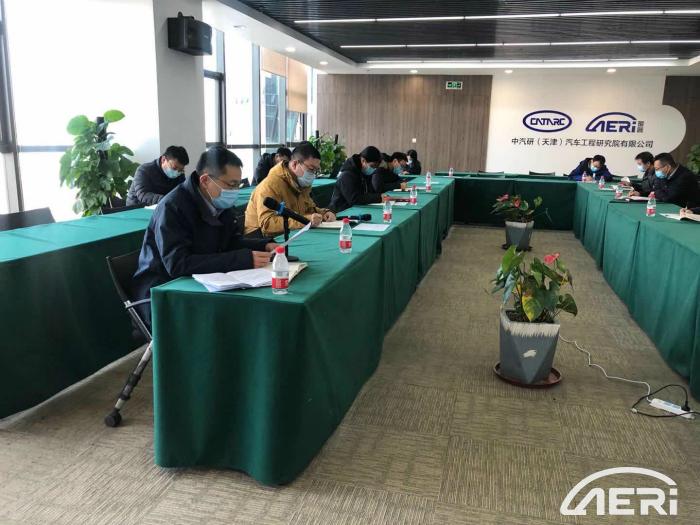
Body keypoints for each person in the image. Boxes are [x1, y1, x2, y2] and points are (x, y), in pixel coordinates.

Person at [132, 146, 277, 326]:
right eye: (231, 185)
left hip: (202, 283)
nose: (235, 191)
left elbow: (230, 242)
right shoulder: (172, 207)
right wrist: (241, 259)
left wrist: (263, 246)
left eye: (237, 185)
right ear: (205, 180)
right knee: (237, 318)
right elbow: (178, 264)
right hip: (164, 292)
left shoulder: (219, 203)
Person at [245, 143, 336, 237]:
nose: (313, 174)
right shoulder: (270, 185)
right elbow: (267, 225)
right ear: (295, 164)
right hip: (261, 239)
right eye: (311, 169)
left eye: (316, 171)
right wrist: (305, 220)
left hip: (291, 234)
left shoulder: (301, 183)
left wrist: (324, 213)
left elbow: (309, 208)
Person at [328, 146, 385, 212]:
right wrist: (378, 198)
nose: (374, 169)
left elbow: (370, 191)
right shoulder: (347, 174)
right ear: (363, 160)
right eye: (372, 166)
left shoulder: (363, 171)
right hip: (340, 211)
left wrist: (380, 196)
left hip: (358, 209)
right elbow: (354, 199)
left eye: (376, 167)